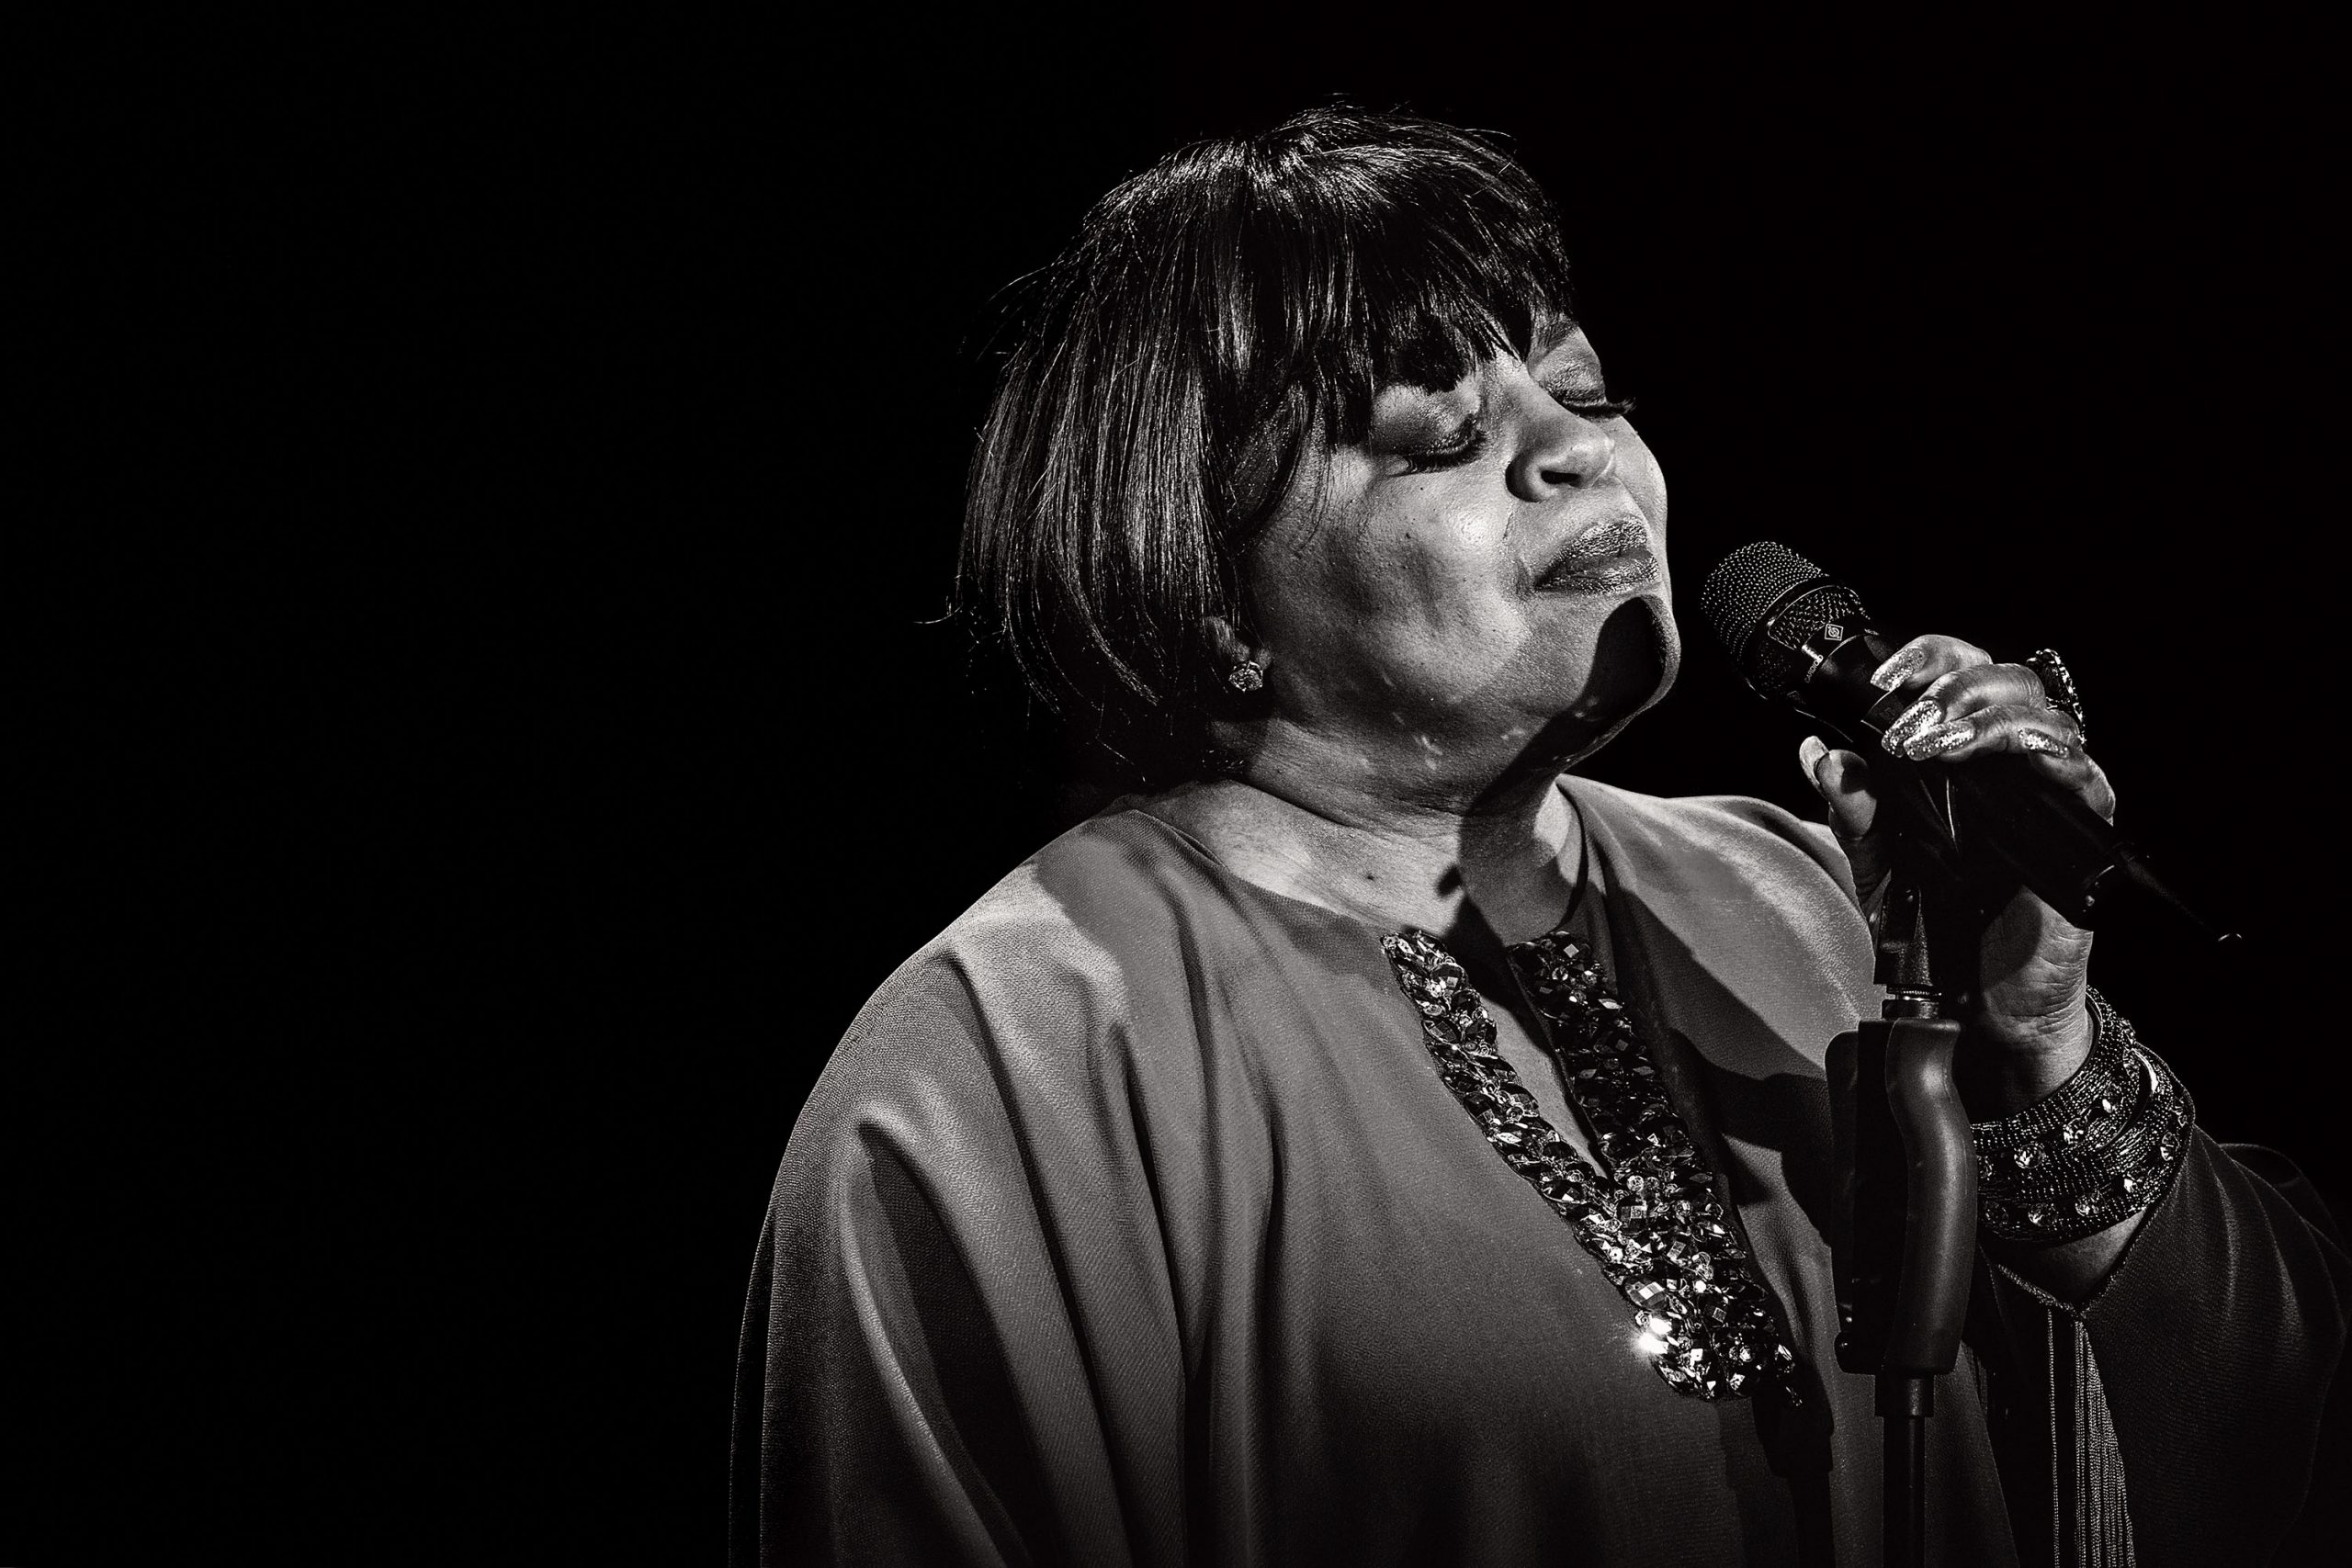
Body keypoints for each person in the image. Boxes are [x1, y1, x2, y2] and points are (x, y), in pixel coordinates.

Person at [730, 107, 2346, 1566]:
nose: (1579, 451)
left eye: (1582, 389)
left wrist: (2038, 1042)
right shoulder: (1012, 1061)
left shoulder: (1809, 894)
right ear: (1207, 586)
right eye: (1439, 434)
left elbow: (2274, 1456)